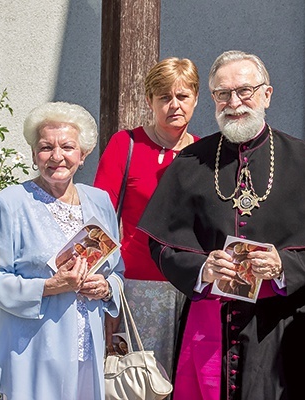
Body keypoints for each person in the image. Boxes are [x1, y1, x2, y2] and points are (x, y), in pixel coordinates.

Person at [138, 50, 305, 400]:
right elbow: (161, 244)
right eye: (222, 94)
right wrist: (202, 268)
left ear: (266, 95)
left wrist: (283, 264)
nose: (234, 102)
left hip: (279, 322)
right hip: (209, 319)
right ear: (212, 99)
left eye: (245, 91)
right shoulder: (191, 162)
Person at [0, 102, 124, 399]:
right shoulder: (9, 204)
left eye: (68, 147)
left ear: (83, 155)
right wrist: (49, 286)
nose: (57, 156)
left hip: (88, 348)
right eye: (46, 147)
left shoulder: (100, 201)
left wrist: (106, 287)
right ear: (34, 155)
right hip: (34, 348)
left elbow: (117, 270)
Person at [94, 57, 200, 377]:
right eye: (164, 97)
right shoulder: (125, 144)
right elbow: (98, 221)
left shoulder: (205, 153)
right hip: (136, 287)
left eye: (182, 96)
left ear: (196, 99)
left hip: (191, 288)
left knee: (183, 385)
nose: (174, 105)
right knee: (135, 384)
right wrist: (107, 293)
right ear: (149, 101)